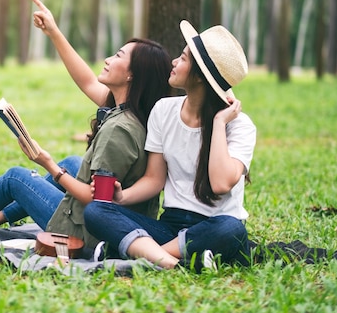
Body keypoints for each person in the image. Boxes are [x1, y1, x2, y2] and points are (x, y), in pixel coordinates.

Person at [0, 0, 173, 251]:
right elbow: (87, 80)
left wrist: (47, 164)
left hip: (86, 232)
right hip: (123, 218)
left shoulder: (119, 130)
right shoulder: (136, 111)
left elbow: (97, 202)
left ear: (132, 76)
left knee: (16, 178)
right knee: (72, 162)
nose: (107, 59)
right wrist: (53, 32)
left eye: (117, 56)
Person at [84, 20, 256, 270]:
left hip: (213, 226)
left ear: (199, 77)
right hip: (170, 226)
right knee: (97, 211)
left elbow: (220, 184)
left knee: (232, 229)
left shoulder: (240, 126)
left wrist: (219, 123)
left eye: (183, 58)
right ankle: (177, 263)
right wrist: (121, 198)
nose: (174, 62)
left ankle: (146, 257)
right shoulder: (163, 110)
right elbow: (155, 179)